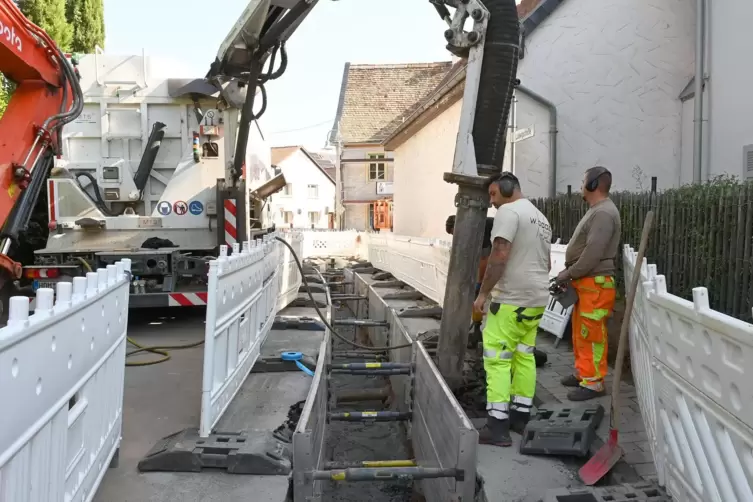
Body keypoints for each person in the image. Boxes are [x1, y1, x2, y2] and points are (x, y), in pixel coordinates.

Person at [472, 172, 552, 446]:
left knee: (496, 358)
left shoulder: (508, 212)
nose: (492, 201)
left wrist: (483, 293)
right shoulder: (540, 218)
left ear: (507, 189)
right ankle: (521, 416)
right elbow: (547, 262)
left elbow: (500, 254)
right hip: (537, 299)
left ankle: (497, 425)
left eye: (494, 194)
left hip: (510, 298)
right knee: (524, 355)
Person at [556, 166, 621, 402]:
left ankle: (593, 383)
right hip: (588, 282)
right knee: (582, 332)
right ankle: (585, 373)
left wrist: (569, 273)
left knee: (591, 334)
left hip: (596, 283)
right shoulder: (597, 210)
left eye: (584, 181)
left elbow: (593, 253)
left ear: (593, 184)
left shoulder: (603, 213)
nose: (581, 186)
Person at [445, 214, 495, 347]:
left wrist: (479, 284)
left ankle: (479, 331)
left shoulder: (480, 228)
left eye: (454, 233)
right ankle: (477, 329)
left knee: (480, 295)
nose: (456, 237)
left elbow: (484, 260)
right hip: (497, 254)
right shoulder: (472, 230)